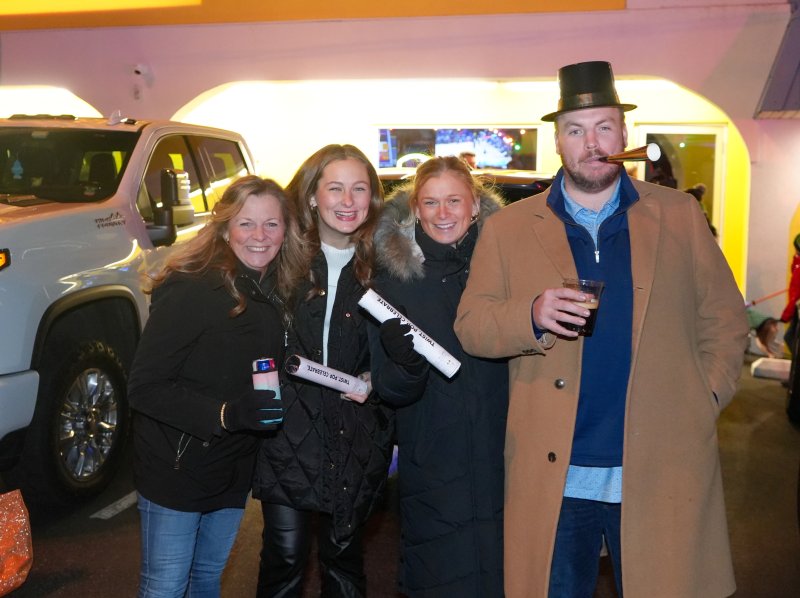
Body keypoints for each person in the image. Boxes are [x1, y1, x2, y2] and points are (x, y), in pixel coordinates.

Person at [454, 60, 749, 598]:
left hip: (661, 460)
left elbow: (726, 318)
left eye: (604, 127)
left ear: (623, 134)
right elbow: (472, 326)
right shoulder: (508, 229)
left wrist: (705, 394)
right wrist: (531, 315)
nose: (592, 143)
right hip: (556, 474)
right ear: (559, 143)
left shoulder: (679, 215)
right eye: (576, 130)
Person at [128, 175, 304, 597]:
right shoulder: (193, 286)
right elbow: (144, 386)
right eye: (246, 224)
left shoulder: (280, 289)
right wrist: (226, 413)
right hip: (177, 465)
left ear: (287, 229)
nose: (260, 236)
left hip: (233, 466)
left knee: (206, 580)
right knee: (167, 587)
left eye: (272, 225)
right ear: (225, 227)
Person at [252, 144, 395, 597]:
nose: (348, 201)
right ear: (312, 195)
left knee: (344, 561)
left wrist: (377, 378)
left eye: (360, 189)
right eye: (335, 188)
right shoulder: (280, 260)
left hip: (355, 433)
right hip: (288, 434)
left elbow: (399, 349)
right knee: (286, 557)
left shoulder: (388, 265)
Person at [368, 156, 508, 597]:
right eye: (431, 202)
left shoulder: (506, 273)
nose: (443, 213)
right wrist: (407, 366)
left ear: (475, 208)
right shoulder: (393, 285)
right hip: (433, 460)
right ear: (415, 208)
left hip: (503, 454)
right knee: (439, 578)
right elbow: (390, 390)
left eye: (453, 201)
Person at [780, 233, 800, 354]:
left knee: (789, 337)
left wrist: (786, 315)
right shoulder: (797, 265)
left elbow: (795, 295)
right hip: (796, 309)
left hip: (797, 309)